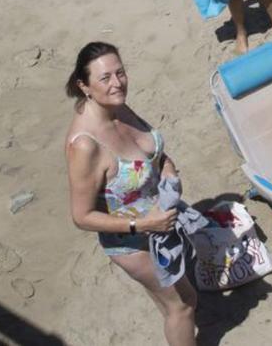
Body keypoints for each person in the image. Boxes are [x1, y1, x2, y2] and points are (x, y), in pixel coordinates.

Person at [63, 42, 198, 346]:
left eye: (120, 73)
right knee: (184, 305)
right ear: (84, 86)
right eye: (105, 78)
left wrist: (167, 167)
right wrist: (143, 225)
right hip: (132, 241)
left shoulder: (117, 105)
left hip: (157, 224)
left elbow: (151, 154)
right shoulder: (85, 146)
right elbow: (81, 217)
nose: (117, 83)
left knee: (168, 304)